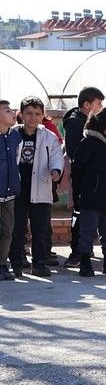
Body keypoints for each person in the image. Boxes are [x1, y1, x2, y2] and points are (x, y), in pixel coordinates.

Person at [72, 106, 106, 278]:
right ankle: (85, 263)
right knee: (88, 230)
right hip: (91, 196)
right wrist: (78, 194)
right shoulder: (89, 143)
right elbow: (77, 169)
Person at [12, 97, 64, 278]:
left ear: (43, 116)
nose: (33, 118)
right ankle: (16, 263)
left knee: (40, 229)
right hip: (17, 190)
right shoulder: (12, 134)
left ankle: (39, 263)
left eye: (37, 114)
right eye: (28, 114)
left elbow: (57, 156)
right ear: (21, 115)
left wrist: (56, 170)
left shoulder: (49, 137)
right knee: (16, 228)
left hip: (41, 188)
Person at [62, 86, 105, 267]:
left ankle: (86, 247)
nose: (102, 107)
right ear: (87, 104)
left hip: (94, 176)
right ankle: (76, 252)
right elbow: (73, 151)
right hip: (81, 177)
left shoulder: (94, 120)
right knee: (79, 214)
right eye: (98, 103)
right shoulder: (74, 123)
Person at [0, 100, 20, 281]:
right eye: (7, 110)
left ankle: (2, 264)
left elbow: (17, 160)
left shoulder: (16, 137)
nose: (12, 113)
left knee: (7, 231)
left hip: (9, 193)